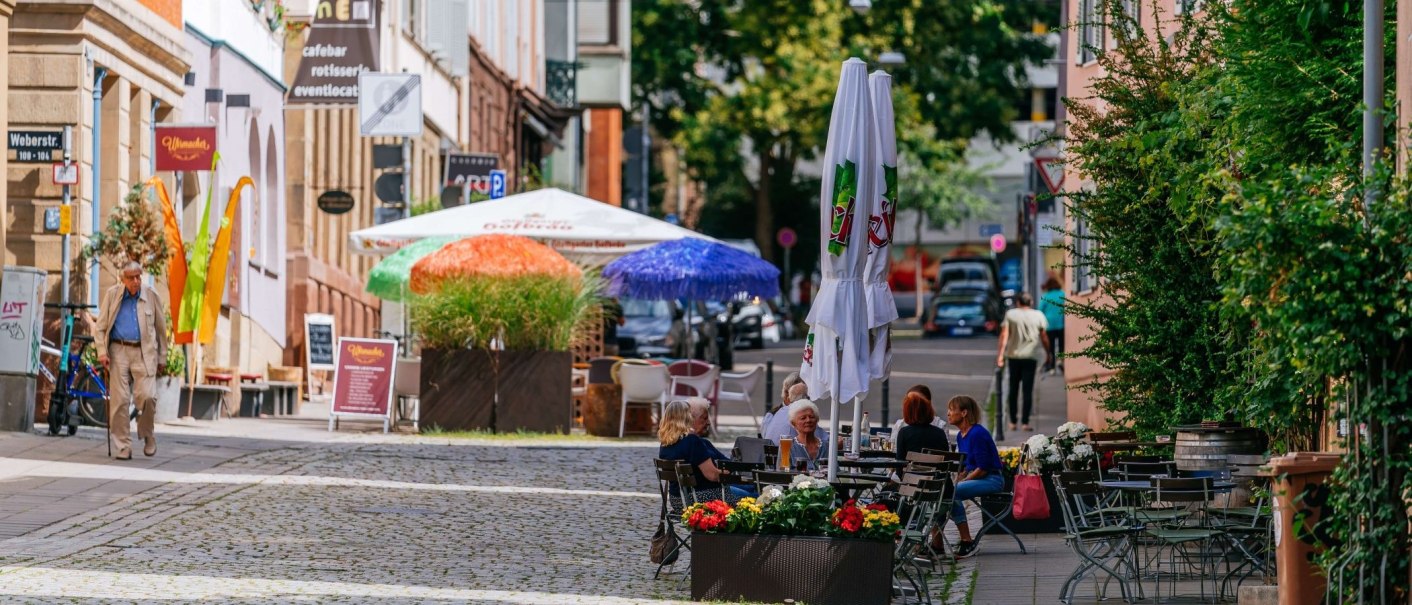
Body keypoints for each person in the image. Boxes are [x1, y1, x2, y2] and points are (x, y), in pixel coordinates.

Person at [95, 261, 168, 460]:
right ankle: (123, 446)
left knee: (148, 397)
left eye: (138, 276)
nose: (136, 281)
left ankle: (147, 434)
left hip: (144, 351)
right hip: (118, 350)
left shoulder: (151, 295)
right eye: (131, 278)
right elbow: (100, 327)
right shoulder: (112, 295)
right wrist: (102, 351)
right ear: (123, 279)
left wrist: (162, 357)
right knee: (119, 401)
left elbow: (161, 330)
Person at [941, 395, 1004, 558]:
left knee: (952, 493)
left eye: (951, 410)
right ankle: (937, 540)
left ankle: (967, 541)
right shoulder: (961, 435)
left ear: (964, 413)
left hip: (992, 479)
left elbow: (983, 468)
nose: (948, 413)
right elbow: (966, 465)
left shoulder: (977, 434)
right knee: (947, 492)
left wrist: (963, 481)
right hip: (980, 477)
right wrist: (959, 478)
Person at [658, 400, 749, 501]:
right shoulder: (692, 441)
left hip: (677, 499)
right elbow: (712, 475)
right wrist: (729, 473)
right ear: (687, 417)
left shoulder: (665, 444)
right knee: (754, 496)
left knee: (749, 488)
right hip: (702, 497)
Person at [996, 292, 1050, 431]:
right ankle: (1025, 422)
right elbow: (1044, 336)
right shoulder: (1038, 315)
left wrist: (1000, 355)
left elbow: (1004, 335)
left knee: (1013, 389)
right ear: (1031, 302)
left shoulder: (1011, 314)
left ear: (1018, 302)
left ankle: (1012, 422)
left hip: (1014, 356)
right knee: (1028, 390)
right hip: (1030, 357)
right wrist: (1048, 353)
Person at [894, 392, 950, 461]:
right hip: (934, 468)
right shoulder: (940, 433)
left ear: (908, 412)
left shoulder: (904, 432)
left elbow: (900, 461)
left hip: (911, 468)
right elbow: (946, 459)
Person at [781, 400, 832, 471]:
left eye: (811, 417)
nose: (808, 420)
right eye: (803, 418)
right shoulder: (787, 447)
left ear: (817, 420)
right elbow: (783, 473)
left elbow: (836, 472)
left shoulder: (827, 447)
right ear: (793, 423)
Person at [761, 373, 806, 440]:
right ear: (788, 393)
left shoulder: (771, 414)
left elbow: (764, 438)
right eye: (804, 394)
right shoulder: (800, 414)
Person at [1038, 277, 1066, 375]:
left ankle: (1052, 367)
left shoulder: (1045, 296)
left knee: (1051, 347)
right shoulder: (1062, 294)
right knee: (1062, 344)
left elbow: (1040, 310)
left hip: (1049, 325)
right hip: (1061, 324)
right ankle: (1060, 360)